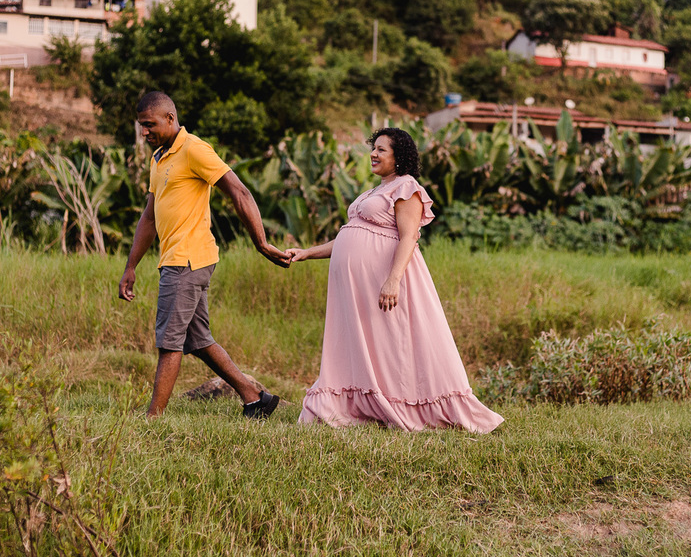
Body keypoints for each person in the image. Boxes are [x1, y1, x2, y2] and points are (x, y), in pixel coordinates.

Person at [289, 127, 504, 433]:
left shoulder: (407, 187)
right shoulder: (374, 191)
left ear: (398, 156)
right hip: (356, 288)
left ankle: (404, 404)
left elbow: (408, 237)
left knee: (392, 344)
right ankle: (357, 404)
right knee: (361, 343)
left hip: (385, 280)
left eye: (381, 150)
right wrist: (306, 253)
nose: (373, 154)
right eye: (373, 148)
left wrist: (393, 281)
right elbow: (350, 235)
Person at [118, 91, 288, 419]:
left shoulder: (194, 149)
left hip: (188, 260)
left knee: (169, 342)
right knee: (197, 340)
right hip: (176, 259)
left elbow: (239, 191)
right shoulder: (159, 158)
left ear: (170, 118)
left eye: (150, 124)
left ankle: (153, 418)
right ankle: (255, 398)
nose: (144, 132)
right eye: (141, 125)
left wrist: (261, 243)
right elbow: (149, 217)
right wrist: (131, 265)